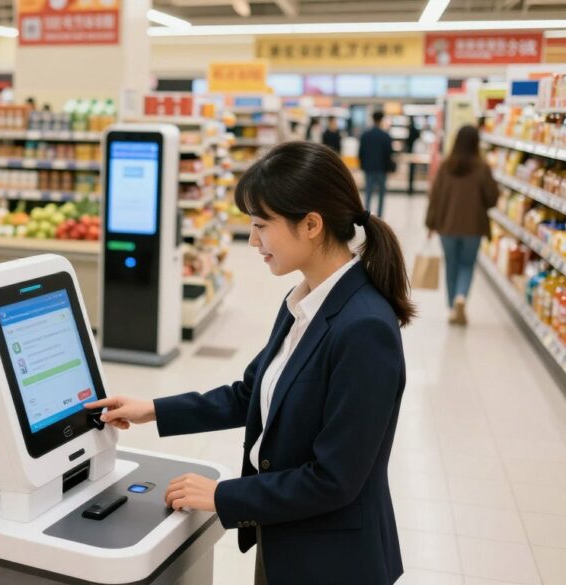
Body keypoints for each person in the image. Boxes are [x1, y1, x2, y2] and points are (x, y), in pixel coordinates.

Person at [86, 142, 413, 585]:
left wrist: (223, 495)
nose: (253, 240)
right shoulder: (305, 300)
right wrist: (155, 410)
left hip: (334, 559)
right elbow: (252, 393)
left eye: (261, 225)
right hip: (287, 537)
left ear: (312, 224)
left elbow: (334, 479)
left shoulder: (364, 329)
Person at [425, 125, 499, 326]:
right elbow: (492, 198)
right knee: (467, 265)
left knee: (451, 265)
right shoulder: (482, 167)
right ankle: (461, 297)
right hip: (473, 227)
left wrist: (430, 224)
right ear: (476, 143)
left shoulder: (446, 166)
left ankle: (451, 308)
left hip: (447, 227)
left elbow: (435, 197)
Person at [358, 111, 395, 217]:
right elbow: (389, 154)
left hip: (369, 168)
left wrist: (362, 165)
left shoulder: (365, 135)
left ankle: (367, 216)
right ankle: (379, 216)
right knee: (381, 194)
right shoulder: (385, 136)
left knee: (368, 193)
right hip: (382, 169)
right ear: (381, 120)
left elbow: (361, 152)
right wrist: (388, 167)